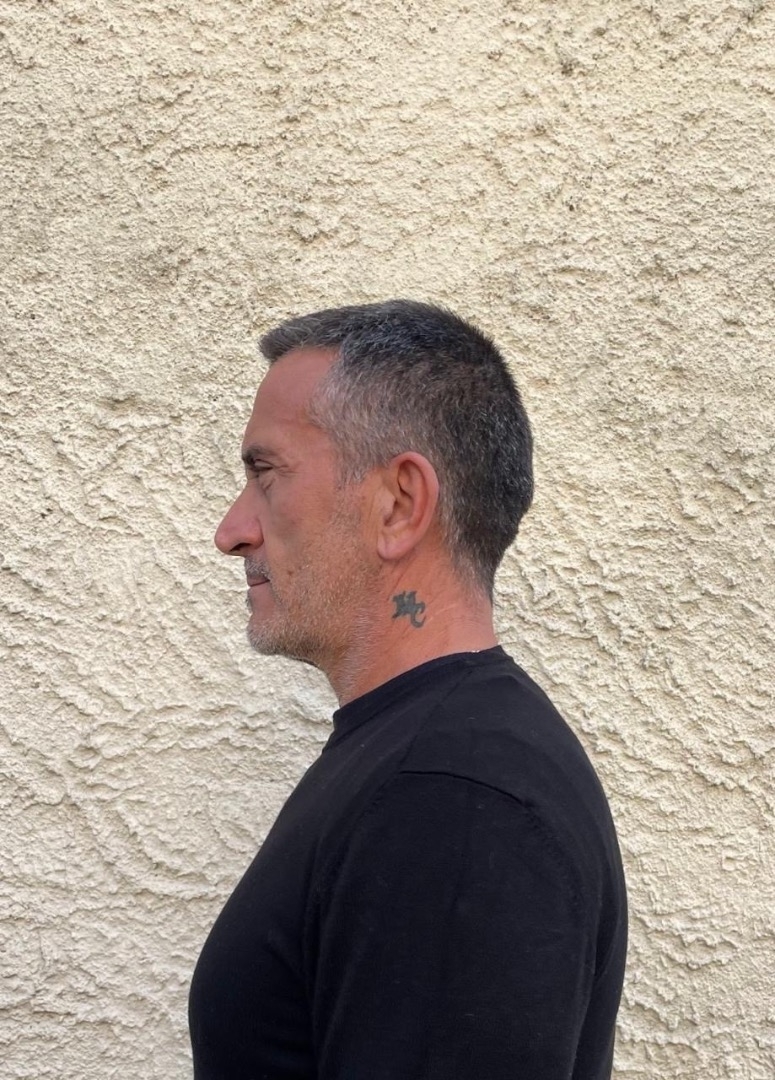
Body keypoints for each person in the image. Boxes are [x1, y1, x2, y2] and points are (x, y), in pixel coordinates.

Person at [188, 300, 627, 1080]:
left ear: (398, 505)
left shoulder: (451, 797)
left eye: (265, 474)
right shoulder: (425, 762)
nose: (232, 531)